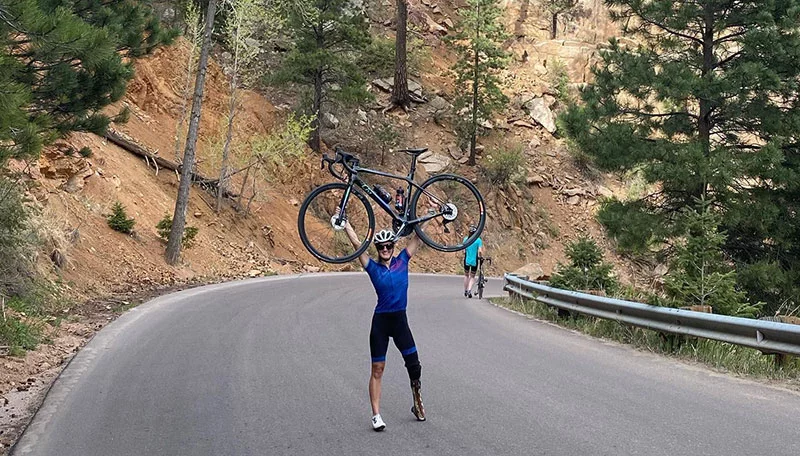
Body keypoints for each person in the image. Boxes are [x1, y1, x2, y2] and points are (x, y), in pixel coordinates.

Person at [343, 224, 426, 432]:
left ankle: (417, 399)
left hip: (400, 322)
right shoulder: (372, 267)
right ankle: (376, 415)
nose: (385, 249)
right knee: (377, 369)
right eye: (381, 247)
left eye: (389, 245)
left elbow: (418, 237)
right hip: (381, 322)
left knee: (414, 367)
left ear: (393, 246)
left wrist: (430, 213)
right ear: (378, 249)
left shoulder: (402, 260)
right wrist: (346, 225)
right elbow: (357, 244)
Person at [463, 225, 484, 298]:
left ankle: (465, 290)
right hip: (474, 260)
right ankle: (469, 290)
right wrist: (480, 257)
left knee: (466, 275)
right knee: (472, 276)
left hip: (466, 260)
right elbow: (480, 251)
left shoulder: (466, 239)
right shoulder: (478, 240)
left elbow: (464, 251)